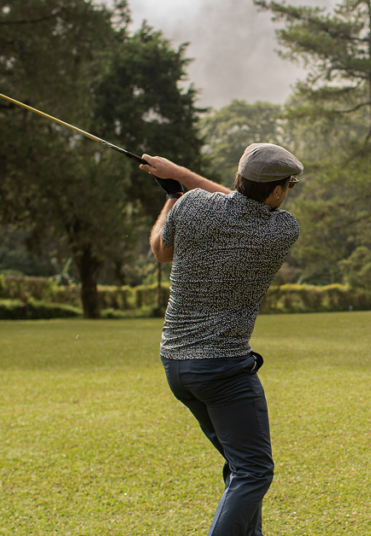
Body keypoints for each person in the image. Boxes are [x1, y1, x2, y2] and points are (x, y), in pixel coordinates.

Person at [141, 143, 303, 536]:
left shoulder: (192, 206)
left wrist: (173, 192)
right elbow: (241, 203)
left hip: (177, 366)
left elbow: (160, 251)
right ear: (278, 191)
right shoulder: (282, 228)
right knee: (254, 470)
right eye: (290, 185)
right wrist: (179, 173)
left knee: (240, 465)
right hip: (224, 370)